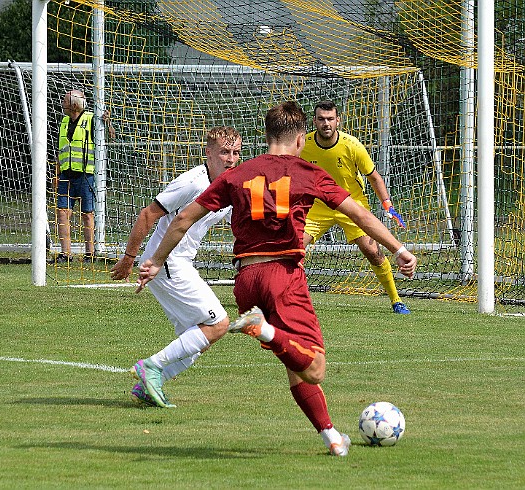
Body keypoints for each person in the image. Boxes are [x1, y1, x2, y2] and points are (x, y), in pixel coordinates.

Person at [137, 101, 417, 456]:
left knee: (293, 365)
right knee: (314, 368)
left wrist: (156, 261)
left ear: (267, 136)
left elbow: (181, 220)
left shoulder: (236, 175)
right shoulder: (307, 172)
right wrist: (398, 249)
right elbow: (359, 213)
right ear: (301, 139)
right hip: (283, 276)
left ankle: (331, 437)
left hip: (245, 280)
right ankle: (263, 328)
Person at [110, 127, 242, 408]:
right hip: (167, 263)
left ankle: (149, 385)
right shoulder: (193, 183)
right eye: (224, 152)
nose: (231, 159)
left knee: (199, 339)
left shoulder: (230, 185)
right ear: (208, 154)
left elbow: (237, 227)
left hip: (177, 264)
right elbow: (148, 214)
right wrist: (129, 257)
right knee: (218, 324)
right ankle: (152, 366)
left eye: (235, 152)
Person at [301, 100, 410, 314]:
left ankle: (396, 300)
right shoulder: (303, 144)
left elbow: (374, 177)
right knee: (294, 249)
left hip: (351, 204)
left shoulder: (352, 145)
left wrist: (387, 205)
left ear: (338, 121)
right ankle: (292, 299)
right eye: (321, 119)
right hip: (318, 207)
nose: (326, 124)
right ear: (314, 121)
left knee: (372, 251)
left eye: (330, 119)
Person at [53, 89, 115, 263]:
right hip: (66, 175)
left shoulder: (91, 119)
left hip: (86, 175)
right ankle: (65, 254)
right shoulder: (64, 121)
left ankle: (90, 253)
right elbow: (61, 150)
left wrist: (107, 123)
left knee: (87, 214)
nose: (62, 103)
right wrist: (56, 173)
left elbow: (110, 137)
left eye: (65, 100)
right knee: (63, 212)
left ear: (73, 105)